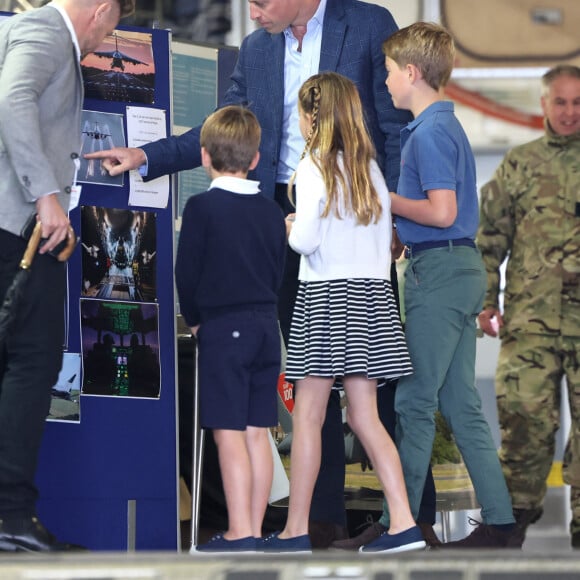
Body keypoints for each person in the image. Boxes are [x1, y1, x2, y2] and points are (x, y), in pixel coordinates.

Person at [86, 0, 438, 548]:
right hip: (283, 213)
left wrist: (392, 214)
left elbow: (393, 128)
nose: (251, 12)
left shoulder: (368, 23)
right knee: (314, 397)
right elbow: (223, 129)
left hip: (348, 218)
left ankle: (411, 517)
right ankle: (322, 523)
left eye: (260, 2)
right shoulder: (257, 49)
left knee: (375, 398)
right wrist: (149, 155)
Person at [360, 22, 518, 552]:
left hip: (441, 274)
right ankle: (500, 522)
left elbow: (442, 210)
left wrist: (384, 198)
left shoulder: (428, 133)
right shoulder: (440, 128)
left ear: (410, 72)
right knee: (461, 404)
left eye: (387, 72)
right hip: (459, 269)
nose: (383, 82)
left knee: (412, 401)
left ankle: (398, 523)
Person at [261, 72, 424, 554]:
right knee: (367, 417)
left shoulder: (314, 167)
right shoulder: (370, 169)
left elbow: (306, 241)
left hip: (327, 298)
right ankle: (404, 522)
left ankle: (294, 531)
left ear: (312, 116)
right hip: (372, 297)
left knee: (309, 417)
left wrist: (290, 225)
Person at [0, 0, 135, 552]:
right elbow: (11, 98)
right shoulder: (45, 30)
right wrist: (46, 196)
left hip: (23, 230)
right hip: (17, 230)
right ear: (101, 9)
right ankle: (9, 517)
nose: (106, 38)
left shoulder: (36, 32)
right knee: (35, 361)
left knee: (23, 362)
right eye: (112, 26)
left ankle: (10, 515)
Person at [175, 105, 287, 553]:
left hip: (225, 329)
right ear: (255, 158)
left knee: (228, 433)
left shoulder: (202, 207)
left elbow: (187, 272)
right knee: (258, 432)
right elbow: (278, 269)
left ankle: (239, 531)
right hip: (265, 328)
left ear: (204, 157)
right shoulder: (269, 210)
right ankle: (255, 530)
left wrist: (198, 321)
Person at [476, 64, 580, 548]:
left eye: (578, 103)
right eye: (560, 102)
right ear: (543, 104)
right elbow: (488, 238)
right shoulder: (519, 164)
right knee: (522, 424)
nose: (570, 112)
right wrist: (484, 300)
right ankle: (508, 523)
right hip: (530, 324)